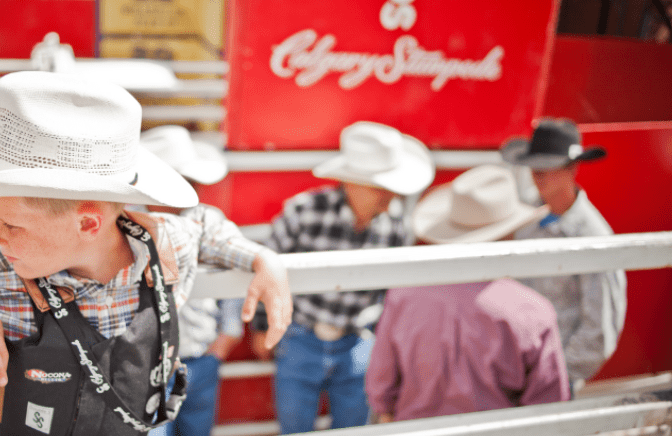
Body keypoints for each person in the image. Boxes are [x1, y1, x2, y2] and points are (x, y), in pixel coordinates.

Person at [0, 71, 293, 436]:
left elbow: (206, 225)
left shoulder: (166, 245)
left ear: (89, 224)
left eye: (11, 224)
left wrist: (262, 259)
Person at [254, 121, 435, 433]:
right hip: (302, 334)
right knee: (295, 427)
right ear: (350, 183)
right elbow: (266, 273)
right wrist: (262, 326)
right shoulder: (304, 211)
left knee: (354, 428)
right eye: (380, 188)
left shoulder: (396, 226)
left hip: (358, 338)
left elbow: (392, 294)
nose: (388, 196)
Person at [366, 164, 570, 422]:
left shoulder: (403, 296)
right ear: (509, 232)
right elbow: (548, 407)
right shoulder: (533, 311)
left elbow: (381, 386)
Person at [501, 118, 627, 386]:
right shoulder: (527, 222)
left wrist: (552, 376)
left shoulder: (593, 237)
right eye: (536, 165)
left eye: (548, 165)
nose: (538, 173)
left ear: (573, 168)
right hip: (516, 371)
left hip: (552, 380)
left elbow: (599, 332)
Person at [137, 125, 244, 436]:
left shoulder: (208, 220)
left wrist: (228, 334)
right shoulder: (124, 223)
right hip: (146, 366)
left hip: (200, 355)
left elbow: (233, 270)